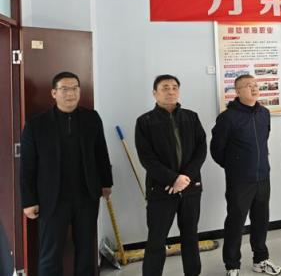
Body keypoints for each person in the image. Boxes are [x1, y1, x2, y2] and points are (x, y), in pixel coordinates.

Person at [20, 71, 113, 276]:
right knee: (50, 253)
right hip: (52, 199)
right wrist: (28, 201)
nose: (70, 93)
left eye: (74, 88)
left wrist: (106, 182)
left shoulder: (91, 118)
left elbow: (101, 152)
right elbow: (27, 166)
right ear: (54, 93)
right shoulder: (37, 125)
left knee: (86, 250)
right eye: (64, 89)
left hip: (86, 195)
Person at [135, 74, 207, 276]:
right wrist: (172, 179)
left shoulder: (191, 117)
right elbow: (146, 158)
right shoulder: (145, 121)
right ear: (154, 93)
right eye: (165, 88)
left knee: (190, 236)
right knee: (156, 239)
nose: (171, 91)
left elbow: (201, 149)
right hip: (161, 188)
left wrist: (184, 178)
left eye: (175, 87)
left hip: (190, 187)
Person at [211, 75, 281, 276]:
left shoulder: (264, 113)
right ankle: (232, 265)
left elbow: (264, 139)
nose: (254, 88)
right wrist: (235, 167)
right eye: (248, 85)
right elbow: (216, 149)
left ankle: (260, 260)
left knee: (261, 220)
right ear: (237, 91)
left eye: (255, 85)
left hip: (263, 176)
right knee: (236, 222)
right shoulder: (227, 117)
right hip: (240, 180)